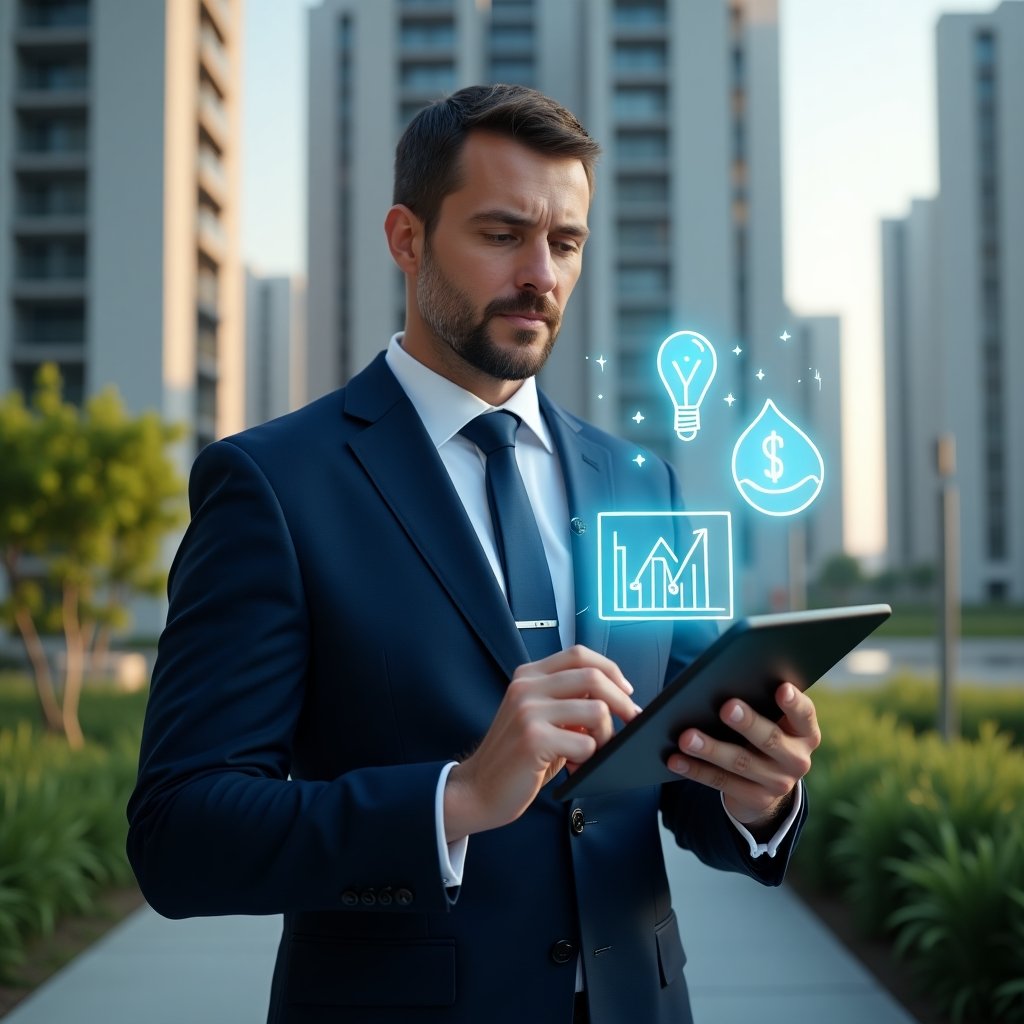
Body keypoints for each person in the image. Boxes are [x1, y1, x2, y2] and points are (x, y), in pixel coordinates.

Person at [128, 84, 819, 1024]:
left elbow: (676, 772)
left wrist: (758, 794)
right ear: (406, 239)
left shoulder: (640, 484)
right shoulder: (273, 485)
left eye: (565, 243)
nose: (541, 274)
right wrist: (454, 799)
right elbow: (179, 834)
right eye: (503, 234)